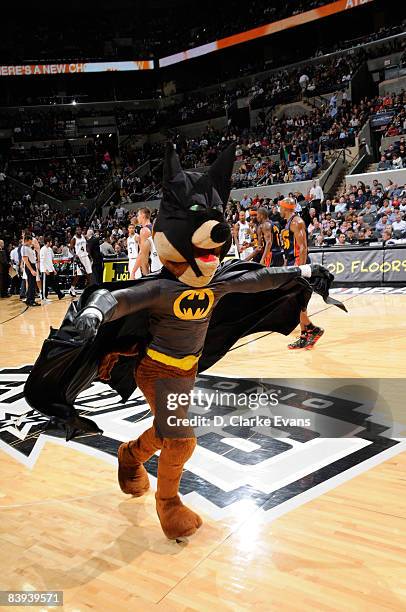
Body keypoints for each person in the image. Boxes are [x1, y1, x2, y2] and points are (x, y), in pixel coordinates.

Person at [25, 144, 343, 541]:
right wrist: (93, 313)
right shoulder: (161, 288)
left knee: (165, 432)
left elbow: (261, 278)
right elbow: (119, 298)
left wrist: (305, 270)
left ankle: (129, 455)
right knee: (182, 440)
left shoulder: (219, 281)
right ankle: (169, 504)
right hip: (157, 369)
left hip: (187, 370)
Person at [279, 197, 324, 349]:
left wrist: (301, 268)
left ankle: (311, 330)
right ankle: (307, 333)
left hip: (299, 263)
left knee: (296, 302)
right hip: (292, 262)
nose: (278, 209)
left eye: (280, 207)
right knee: (296, 302)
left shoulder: (297, 222)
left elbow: (303, 247)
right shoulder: (288, 221)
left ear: (285, 208)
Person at [69, 226, 93, 297]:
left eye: (80, 229)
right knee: (78, 275)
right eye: (78, 230)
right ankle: (72, 289)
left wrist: (89, 254)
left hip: (85, 256)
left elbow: (87, 246)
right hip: (79, 258)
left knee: (89, 273)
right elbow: (70, 249)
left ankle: (88, 289)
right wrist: (74, 255)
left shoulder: (84, 237)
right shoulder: (74, 239)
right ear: (75, 231)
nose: (79, 230)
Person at [39, 237, 64, 303]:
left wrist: (53, 269)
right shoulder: (43, 249)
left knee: (53, 283)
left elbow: (51, 260)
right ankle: (44, 297)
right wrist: (45, 269)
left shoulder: (50, 249)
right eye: (50, 242)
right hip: (45, 270)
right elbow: (42, 260)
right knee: (45, 285)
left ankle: (60, 294)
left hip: (50, 269)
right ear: (47, 242)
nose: (51, 243)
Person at [21, 234, 39, 307]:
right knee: (31, 284)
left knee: (32, 283)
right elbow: (26, 260)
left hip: (32, 265)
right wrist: (31, 270)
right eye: (31, 240)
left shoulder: (28, 247)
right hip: (30, 266)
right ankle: (31, 301)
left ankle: (29, 300)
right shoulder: (24, 248)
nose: (32, 242)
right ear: (27, 240)